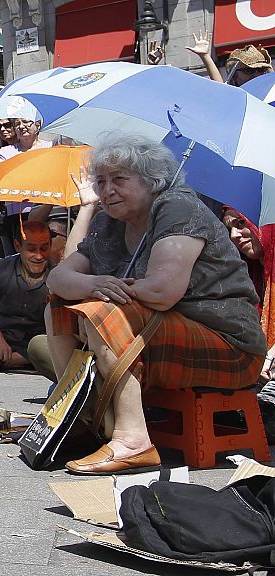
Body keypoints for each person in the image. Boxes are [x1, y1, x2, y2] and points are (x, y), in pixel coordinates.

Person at [45, 134, 266, 475]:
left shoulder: (178, 207)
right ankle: (82, 418)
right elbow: (58, 279)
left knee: (102, 311)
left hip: (228, 343)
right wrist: (94, 284)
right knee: (59, 306)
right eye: (101, 181)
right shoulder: (107, 220)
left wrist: (99, 297)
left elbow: (163, 291)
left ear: (151, 180)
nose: (107, 190)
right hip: (161, 333)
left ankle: (133, 441)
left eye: (119, 179)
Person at [220, 207, 275, 441]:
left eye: (241, 224)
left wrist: (269, 356)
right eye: (229, 228)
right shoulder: (250, 275)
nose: (234, 235)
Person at [0, 221, 51, 372]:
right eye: (31, 249)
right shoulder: (0, 268)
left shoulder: (57, 274)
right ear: (17, 246)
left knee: (49, 347)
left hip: (35, 341)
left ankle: (2, 361)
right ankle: (9, 360)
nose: (39, 256)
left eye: (44, 248)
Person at [186, 31, 272, 86]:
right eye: (249, 70)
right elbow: (221, 88)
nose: (256, 74)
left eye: (261, 70)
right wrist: (205, 56)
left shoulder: (269, 93)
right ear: (235, 77)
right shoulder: (235, 98)